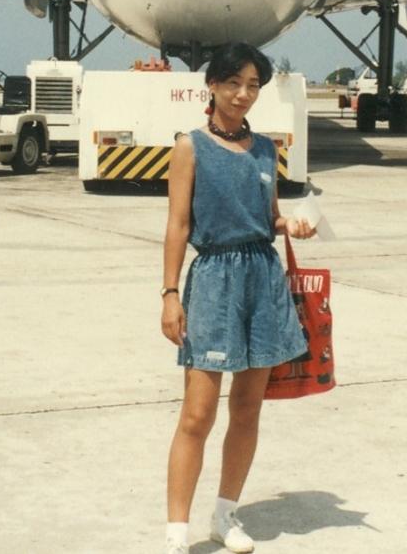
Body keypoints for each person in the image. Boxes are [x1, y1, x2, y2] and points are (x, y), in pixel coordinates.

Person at [161, 42, 315, 554]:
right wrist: (169, 294)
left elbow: (268, 217)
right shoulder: (190, 147)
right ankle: (176, 533)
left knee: (247, 409)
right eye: (233, 83)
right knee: (197, 414)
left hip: (262, 280)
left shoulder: (267, 149)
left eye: (252, 85)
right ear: (212, 85)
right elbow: (178, 226)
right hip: (213, 282)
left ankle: (225, 515)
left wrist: (291, 223)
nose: (243, 94)